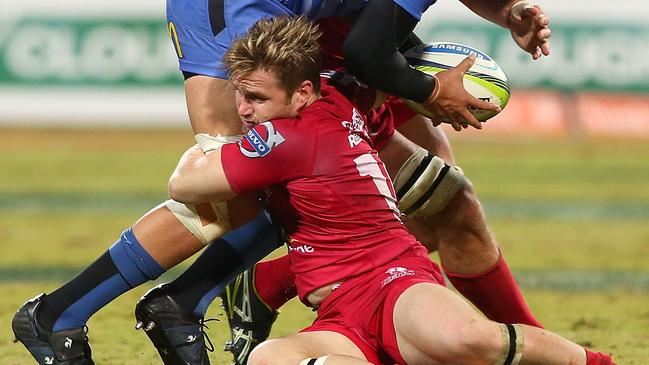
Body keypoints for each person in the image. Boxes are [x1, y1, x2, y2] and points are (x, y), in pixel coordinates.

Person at [11, 1, 549, 364]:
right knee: (230, 188)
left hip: (323, 17)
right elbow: (367, 52)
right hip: (248, 8)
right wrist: (427, 90)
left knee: (439, 195)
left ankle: (224, 291)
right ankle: (61, 313)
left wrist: (504, 12)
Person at [168, 15, 616, 365]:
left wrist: (209, 147)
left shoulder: (277, 143)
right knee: (269, 357)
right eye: (240, 96)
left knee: (466, 338)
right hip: (339, 313)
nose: (242, 111)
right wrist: (436, 83)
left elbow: (183, 186)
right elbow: (378, 69)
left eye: (256, 99)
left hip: (393, 280)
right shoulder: (342, 94)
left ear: (303, 92)